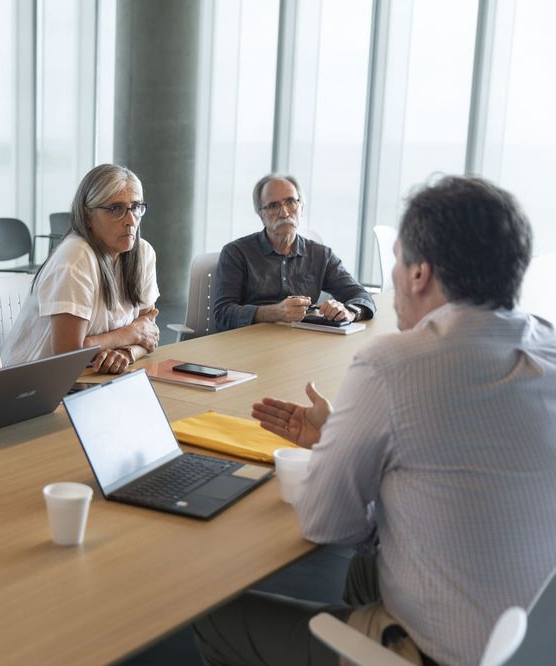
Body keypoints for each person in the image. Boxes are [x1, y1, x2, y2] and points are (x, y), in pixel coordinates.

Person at [194, 176, 556, 665]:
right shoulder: (548, 346)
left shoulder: (393, 364)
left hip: (441, 654)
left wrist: (340, 452)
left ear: (419, 274)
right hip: (535, 643)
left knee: (215, 619)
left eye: (397, 259)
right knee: (366, 572)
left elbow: (327, 524)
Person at [2, 164, 160, 374]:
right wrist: (129, 334)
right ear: (87, 215)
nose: (131, 221)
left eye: (136, 207)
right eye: (116, 209)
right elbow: (68, 354)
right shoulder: (75, 258)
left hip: (91, 375)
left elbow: (149, 330)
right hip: (32, 381)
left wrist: (127, 352)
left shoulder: (143, 253)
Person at [213, 174, 376, 332]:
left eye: (290, 202)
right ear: (261, 215)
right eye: (273, 206)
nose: (284, 213)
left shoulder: (321, 255)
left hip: (300, 341)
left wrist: (350, 312)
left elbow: (361, 295)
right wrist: (273, 313)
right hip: (249, 342)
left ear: (301, 207)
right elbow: (223, 313)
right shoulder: (236, 253)